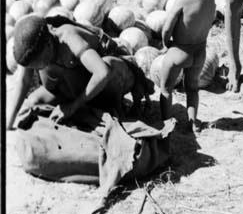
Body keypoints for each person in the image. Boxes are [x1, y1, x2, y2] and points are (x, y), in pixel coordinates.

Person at [6, 14, 154, 129]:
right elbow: (24, 81)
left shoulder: (69, 38)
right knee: (33, 103)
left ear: (49, 44)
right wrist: (9, 121)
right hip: (74, 88)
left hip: (109, 80)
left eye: (39, 64)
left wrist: (73, 106)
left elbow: (102, 72)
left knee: (108, 64)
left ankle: (113, 108)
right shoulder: (31, 49)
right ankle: (86, 107)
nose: (37, 69)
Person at [159, 0, 216, 134]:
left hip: (180, 51)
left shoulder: (182, 1)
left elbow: (167, 28)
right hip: (200, 52)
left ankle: (166, 122)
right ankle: (193, 122)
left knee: (165, 89)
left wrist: (165, 43)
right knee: (192, 89)